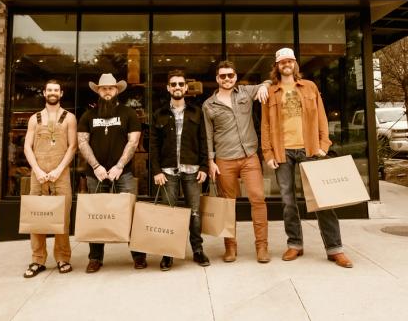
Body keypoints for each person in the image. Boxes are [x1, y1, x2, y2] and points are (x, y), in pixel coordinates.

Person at [261, 47, 353, 268]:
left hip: (309, 149)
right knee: (288, 201)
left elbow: (321, 116)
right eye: (282, 62)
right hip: (283, 153)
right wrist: (268, 153)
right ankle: (295, 244)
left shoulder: (310, 87)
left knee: (322, 200)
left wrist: (323, 144)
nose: (286, 64)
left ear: (295, 64)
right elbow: (264, 125)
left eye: (289, 61)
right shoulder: (271, 92)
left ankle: (335, 248)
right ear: (277, 66)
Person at [202, 60, 271, 263]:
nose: (227, 79)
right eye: (222, 76)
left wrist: (265, 87)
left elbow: (266, 81)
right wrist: (211, 161)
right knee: (227, 205)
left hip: (249, 156)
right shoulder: (209, 105)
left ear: (235, 77)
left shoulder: (245, 92)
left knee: (258, 199)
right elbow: (208, 135)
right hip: (224, 159)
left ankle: (262, 247)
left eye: (230, 75)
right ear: (217, 79)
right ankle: (230, 247)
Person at [77, 73, 145, 273]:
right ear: (98, 91)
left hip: (123, 173)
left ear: (117, 91)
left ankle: (138, 255)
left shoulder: (128, 113)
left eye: (111, 88)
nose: (107, 91)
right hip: (95, 174)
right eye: (103, 88)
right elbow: (82, 142)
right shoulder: (88, 115)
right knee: (96, 215)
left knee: (131, 213)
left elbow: (133, 142)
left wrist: (119, 166)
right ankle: (95, 258)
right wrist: (97, 167)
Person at [151, 70, 210, 271]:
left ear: (186, 88)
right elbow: (153, 145)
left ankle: (198, 250)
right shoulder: (159, 114)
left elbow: (204, 140)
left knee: (194, 213)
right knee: (169, 214)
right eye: (173, 84)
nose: (177, 87)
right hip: (167, 172)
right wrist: (157, 170)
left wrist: (204, 166)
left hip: (192, 170)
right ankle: (168, 253)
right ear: (168, 88)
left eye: (180, 84)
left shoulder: (196, 112)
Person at [22, 79, 77, 278]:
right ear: (44, 93)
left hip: (60, 175)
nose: (53, 93)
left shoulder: (69, 118)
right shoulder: (34, 119)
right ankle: (37, 259)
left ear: (61, 93)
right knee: (36, 217)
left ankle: (63, 258)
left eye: (56, 90)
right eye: (49, 90)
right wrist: (36, 169)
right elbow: (27, 146)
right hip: (38, 175)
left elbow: (72, 147)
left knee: (62, 216)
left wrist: (59, 169)